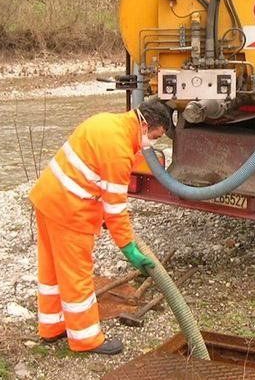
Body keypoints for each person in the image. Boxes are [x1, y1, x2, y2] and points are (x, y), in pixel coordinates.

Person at [28, 97, 172, 355]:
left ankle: (51, 327)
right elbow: (116, 208)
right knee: (77, 277)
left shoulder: (105, 121)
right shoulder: (119, 151)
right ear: (144, 125)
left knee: (51, 271)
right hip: (70, 213)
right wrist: (129, 248)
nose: (153, 143)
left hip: (48, 199)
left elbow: (90, 174)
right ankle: (86, 339)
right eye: (155, 136)